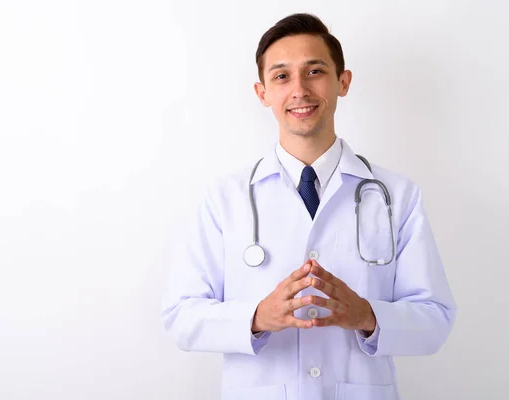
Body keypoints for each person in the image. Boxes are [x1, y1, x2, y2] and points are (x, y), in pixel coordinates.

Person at [161, 12, 457, 400]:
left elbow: (435, 319)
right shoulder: (225, 198)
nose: (299, 89)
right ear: (262, 92)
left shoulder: (396, 195)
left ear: (342, 82)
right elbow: (180, 316)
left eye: (315, 71)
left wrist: (367, 316)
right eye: (281, 76)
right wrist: (256, 317)